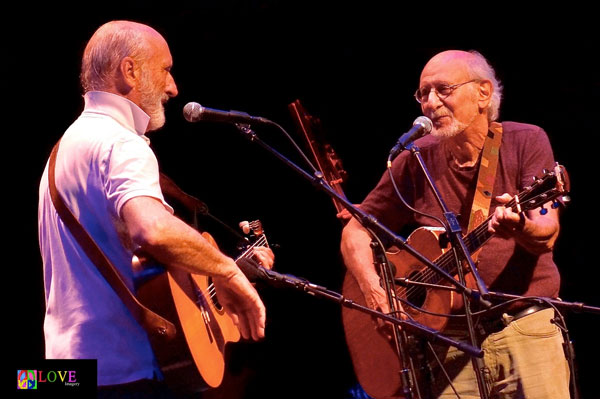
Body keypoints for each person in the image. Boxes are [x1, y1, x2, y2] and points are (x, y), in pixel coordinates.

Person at [38, 20, 273, 397]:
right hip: (121, 374)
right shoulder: (122, 143)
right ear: (129, 70)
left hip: (59, 373)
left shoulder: (64, 149)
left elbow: (139, 260)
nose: (173, 87)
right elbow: (153, 230)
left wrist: (215, 271)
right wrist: (228, 271)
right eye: (165, 69)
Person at [340, 50, 570, 398]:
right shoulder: (414, 158)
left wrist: (519, 226)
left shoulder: (526, 140)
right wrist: (375, 292)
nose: (431, 103)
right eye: (423, 93)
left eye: (443, 89)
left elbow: (546, 231)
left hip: (524, 329)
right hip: (446, 343)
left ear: (483, 93)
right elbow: (355, 229)